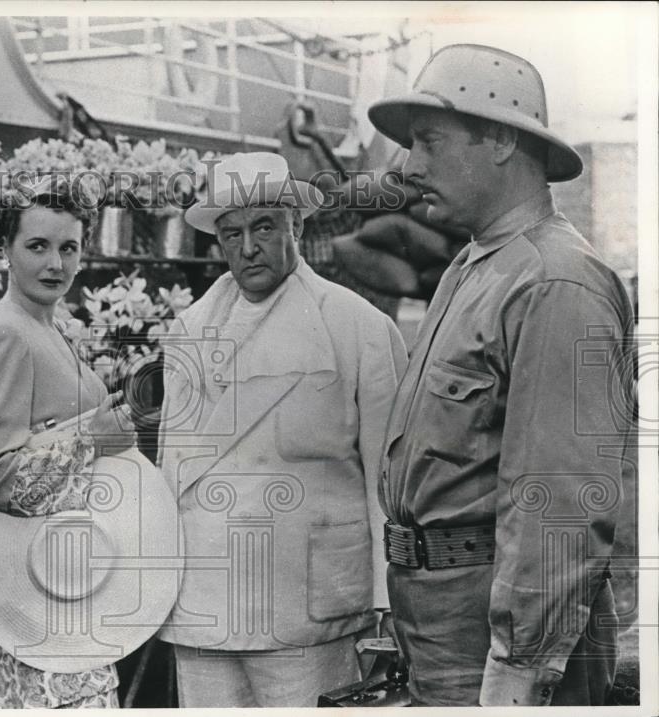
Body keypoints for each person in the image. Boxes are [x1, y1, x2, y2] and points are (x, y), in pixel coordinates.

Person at [368, 44, 636, 706]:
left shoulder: (555, 281)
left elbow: (559, 504)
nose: (410, 165)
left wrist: (518, 668)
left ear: (497, 141)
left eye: (428, 140)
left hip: (493, 648)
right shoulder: (477, 266)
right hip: (444, 625)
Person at [156, 152, 408, 707]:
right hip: (205, 601)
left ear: (297, 223)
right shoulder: (188, 330)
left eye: (264, 227)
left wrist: (391, 603)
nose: (248, 248)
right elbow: (173, 472)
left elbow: (388, 487)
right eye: (231, 234)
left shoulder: (358, 327)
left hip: (306, 607)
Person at [0, 176, 138, 708]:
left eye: (69, 248)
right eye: (37, 246)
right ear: (5, 250)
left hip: (71, 579)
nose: (55, 264)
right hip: (35, 590)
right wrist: (92, 438)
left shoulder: (50, 324)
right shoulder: (9, 333)